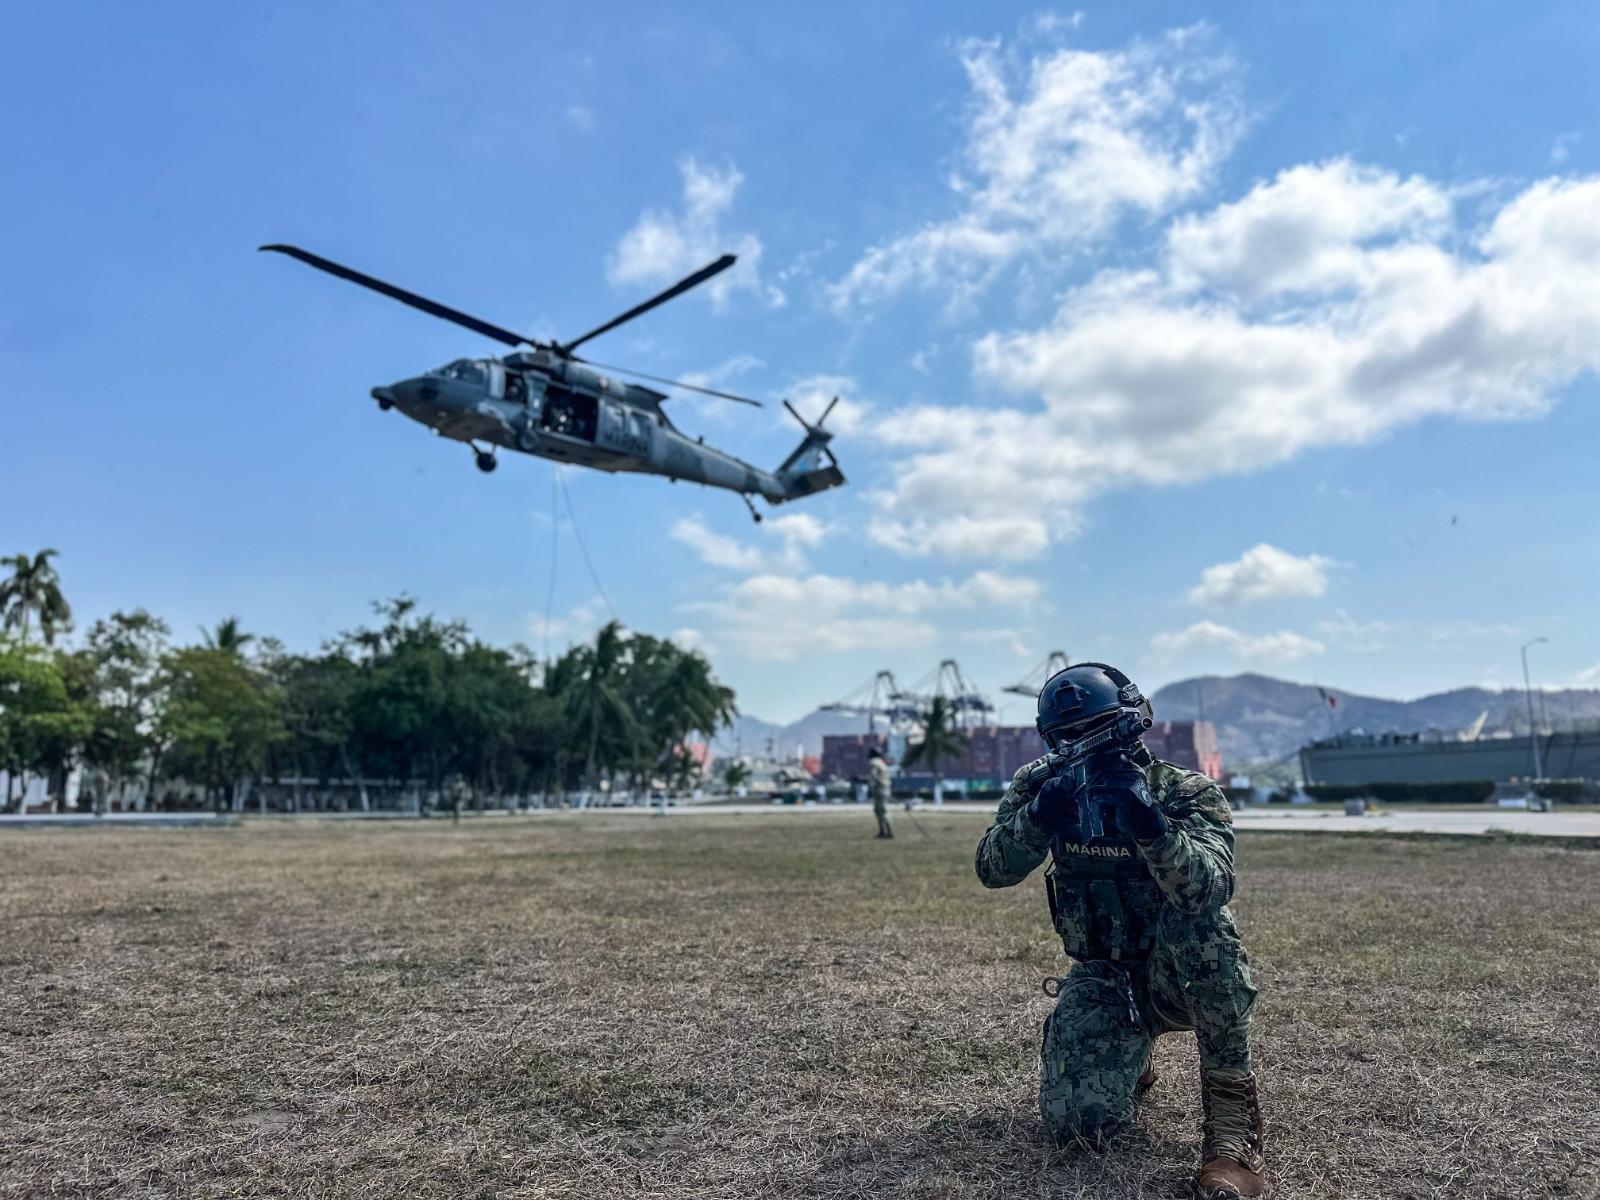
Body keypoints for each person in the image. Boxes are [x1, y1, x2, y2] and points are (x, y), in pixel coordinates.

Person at [974, 663, 1266, 1199]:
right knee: (1078, 1127)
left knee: (1200, 922)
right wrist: (1036, 819)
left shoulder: (1185, 792)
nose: (1083, 748)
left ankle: (1231, 1141)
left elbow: (1210, 889)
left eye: (1097, 732)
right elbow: (992, 869)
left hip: (1181, 976)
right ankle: (1132, 1056)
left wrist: (1151, 825)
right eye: (1067, 738)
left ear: (1133, 724)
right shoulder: (1040, 785)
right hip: (1106, 976)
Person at [867, 746, 894, 839]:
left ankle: (888, 832)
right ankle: (883, 831)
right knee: (879, 810)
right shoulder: (883, 763)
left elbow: (873, 776)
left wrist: (871, 787)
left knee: (882, 811)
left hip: (879, 789)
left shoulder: (874, 762)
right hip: (886, 789)